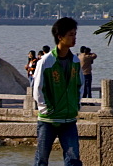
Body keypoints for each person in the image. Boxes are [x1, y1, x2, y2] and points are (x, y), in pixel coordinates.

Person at [32, 17, 83, 166]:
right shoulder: (46, 61)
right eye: (71, 35)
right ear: (60, 37)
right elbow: (38, 88)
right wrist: (46, 108)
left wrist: (76, 105)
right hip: (49, 119)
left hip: (69, 118)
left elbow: (79, 85)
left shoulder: (75, 61)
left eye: (75, 34)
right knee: (41, 159)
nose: (74, 38)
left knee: (73, 159)